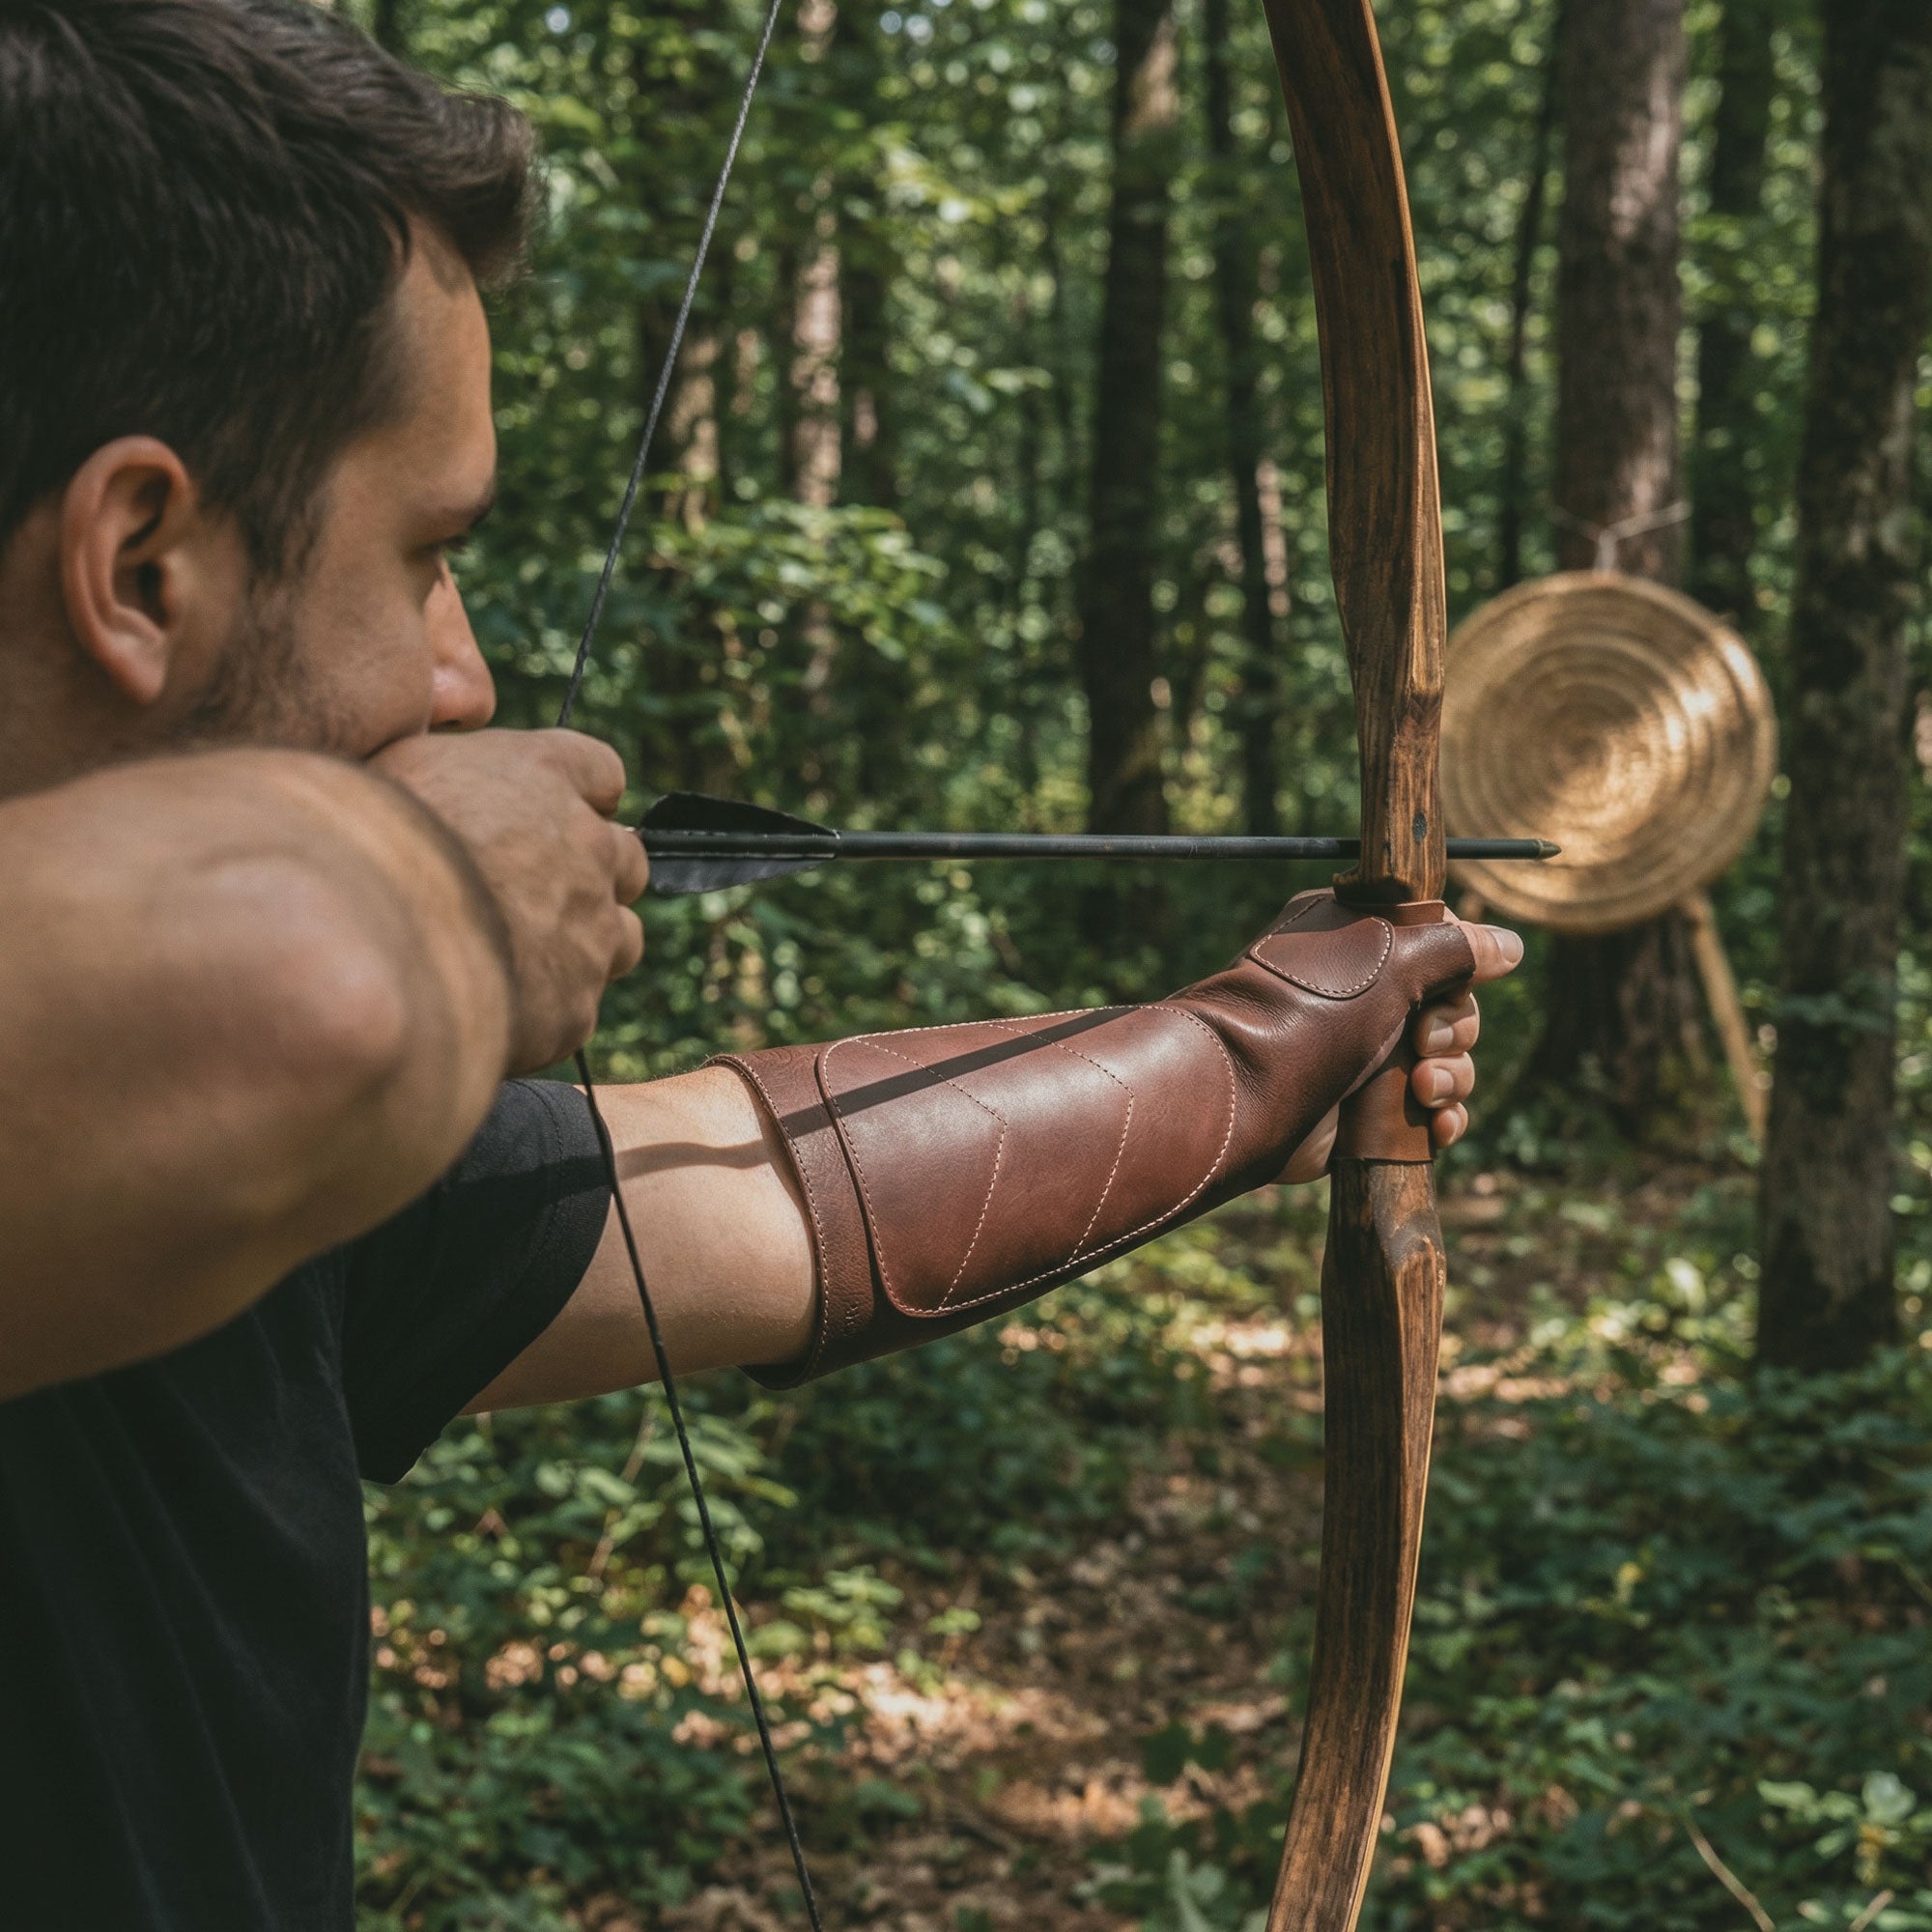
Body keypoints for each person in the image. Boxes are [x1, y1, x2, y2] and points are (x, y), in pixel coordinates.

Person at [0, 0, 1521, 1924]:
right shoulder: (189, 1058)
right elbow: (313, 984)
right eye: (426, 555)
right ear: (139, 564)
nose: (461, 672)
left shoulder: (239, 1177)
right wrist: (455, 887)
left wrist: (1265, 1051)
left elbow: (761, 1195)